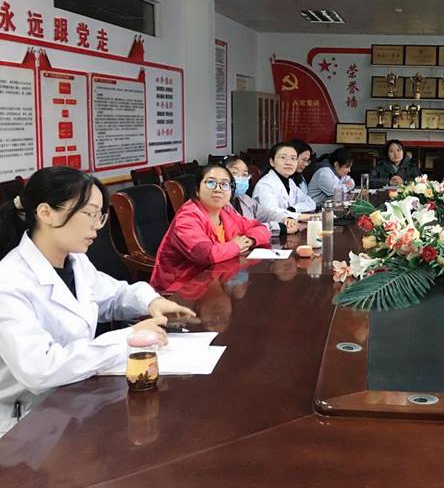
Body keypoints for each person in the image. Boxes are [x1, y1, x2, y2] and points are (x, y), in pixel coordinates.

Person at [0, 167, 193, 436]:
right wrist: (129, 338)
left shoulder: (76, 261)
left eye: (100, 216)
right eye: (89, 214)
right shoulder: (9, 281)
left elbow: (113, 295)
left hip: (77, 400)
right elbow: (40, 369)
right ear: (46, 213)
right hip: (28, 425)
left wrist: (151, 302)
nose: (97, 226)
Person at [151, 164, 271, 293]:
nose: (218, 189)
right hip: (182, 289)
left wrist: (250, 240)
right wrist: (236, 246)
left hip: (216, 282)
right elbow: (206, 255)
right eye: (210, 183)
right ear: (197, 190)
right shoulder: (187, 217)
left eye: (224, 184)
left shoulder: (226, 212)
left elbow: (261, 228)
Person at [224, 155, 302, 236]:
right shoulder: (220, 203)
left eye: (244, 174)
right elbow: (245, 229)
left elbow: (267, 214)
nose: (240, 178)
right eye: (234, 173)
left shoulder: (245, 199)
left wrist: (285, 219)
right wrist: (279, 227)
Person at [252, 143, 316, 221]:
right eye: (283, 157)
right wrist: (302, 216)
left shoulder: (290, 182)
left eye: (293, 158)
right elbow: (272, 213)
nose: (289, 163)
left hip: (289, 225)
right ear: (272, 162)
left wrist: (293, 209)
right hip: (269, 227)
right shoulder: (265, 185)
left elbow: (310, 203)